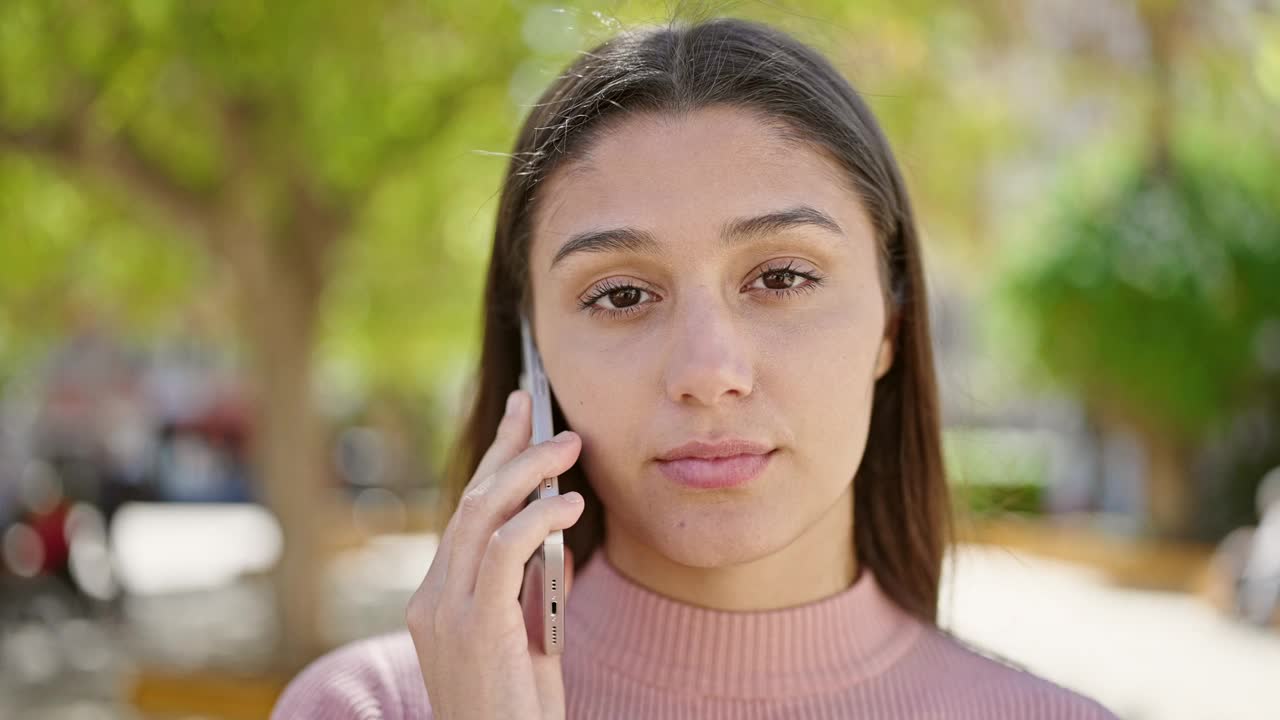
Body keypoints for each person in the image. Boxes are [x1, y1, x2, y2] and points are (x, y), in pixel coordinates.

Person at [272, 15, 1120, 719]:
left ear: (891, 325)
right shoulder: (365, 708)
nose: (708, 371)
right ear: (534, 356)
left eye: (781, 277)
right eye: (621, 295)